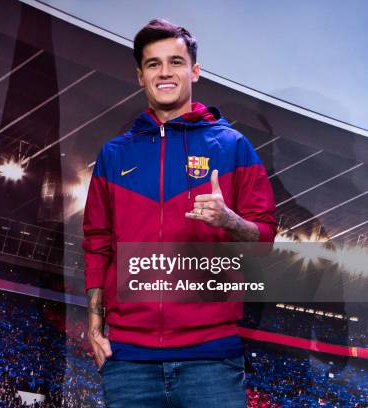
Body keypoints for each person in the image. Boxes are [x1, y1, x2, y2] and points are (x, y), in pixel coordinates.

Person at [82, 18, 277, 407]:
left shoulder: (233, 146)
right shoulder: (115, 154)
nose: (165, 72)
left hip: (211, 359)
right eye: (153, 64)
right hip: (129, 361)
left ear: (195, 70)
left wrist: (230, 220)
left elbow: (265, 238)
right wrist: (93, 319)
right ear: (140, 76)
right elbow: (97, 241)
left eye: (176, 61)